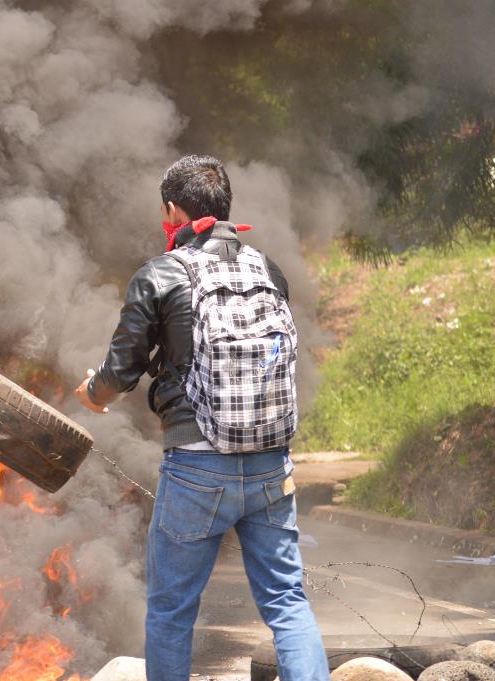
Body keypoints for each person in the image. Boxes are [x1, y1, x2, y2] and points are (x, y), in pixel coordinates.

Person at [75, 155, 328, 681]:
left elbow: (121, 370)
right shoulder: (268, 270)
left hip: (195, 469)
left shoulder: (162, 273)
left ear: (172, 209)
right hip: (269, 467)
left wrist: (93, 395)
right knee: (286, 603)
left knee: (172, 612)